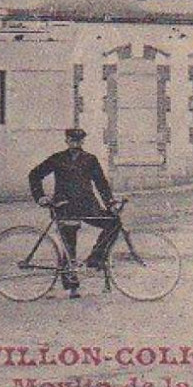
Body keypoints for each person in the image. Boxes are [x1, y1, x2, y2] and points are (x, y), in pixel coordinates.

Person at [28, 128, 123, 298]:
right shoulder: (57, 159)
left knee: (114, 222)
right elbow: (34, 174)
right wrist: (40, 197)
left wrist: (110, 203)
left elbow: (101, 183)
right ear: (66, 141)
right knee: (69, 244)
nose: (75, 144)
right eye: (72, 140)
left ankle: (96, 258)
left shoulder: (90, 160)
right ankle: (72, 287)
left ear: (82, 142)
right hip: (64, 206)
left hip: (87, 206)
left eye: (79, 141)